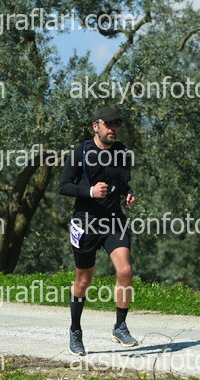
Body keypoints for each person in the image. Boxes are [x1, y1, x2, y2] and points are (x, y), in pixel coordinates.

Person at [58, 106, 138, 356]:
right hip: (86, 222)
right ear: (96, 126)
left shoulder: (122, 152)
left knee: (125, 271)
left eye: (117, 124)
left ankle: (120, 326)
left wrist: (128, 193)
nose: (113, 129)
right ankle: (75, 330)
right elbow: (63, 186)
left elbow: (122, 183)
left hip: (114, 221)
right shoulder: (81, 152)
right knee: (83, 280)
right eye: (108, 124)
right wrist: (90, 192)